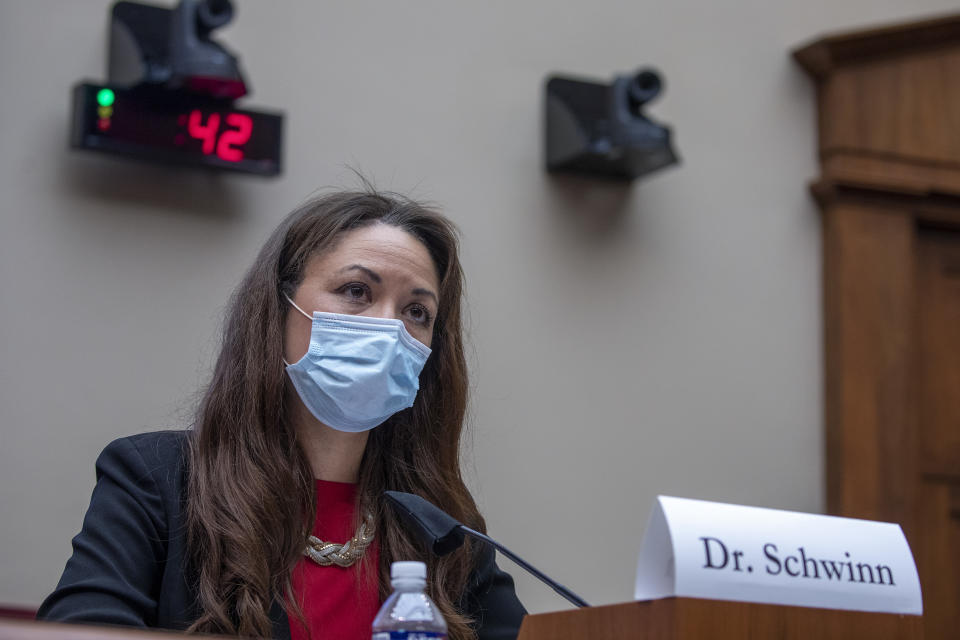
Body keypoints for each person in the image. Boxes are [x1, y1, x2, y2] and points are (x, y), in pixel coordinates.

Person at [37, 189, 527, 640]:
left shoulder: (442, 524)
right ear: (279, 308)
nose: (387, 327)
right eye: (357, 291)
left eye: (416, 312)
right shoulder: (156, 481)